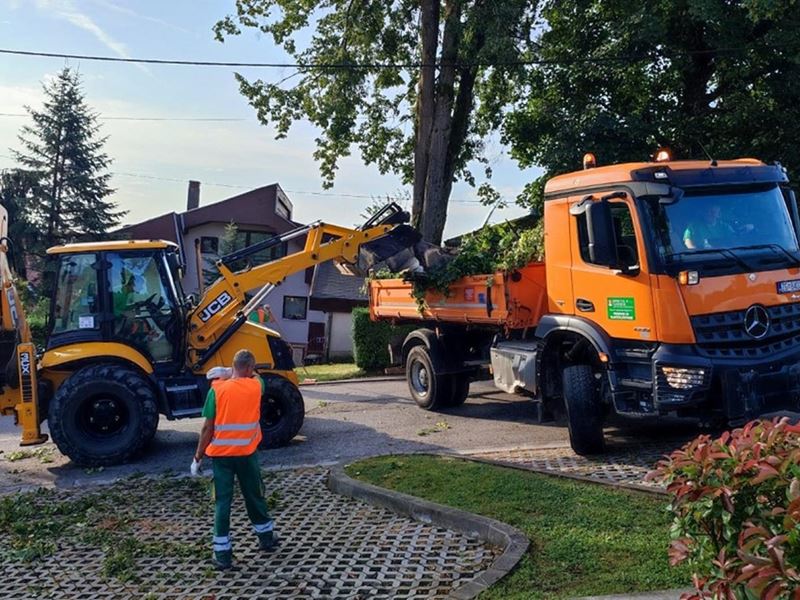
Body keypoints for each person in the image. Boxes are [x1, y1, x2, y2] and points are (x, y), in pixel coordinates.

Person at [191, 349, 278, 570]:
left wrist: (197, 457)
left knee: (222, 502)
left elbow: (207, 428)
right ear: (249, 368)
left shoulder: (216, 391)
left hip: (222, 459)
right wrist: (234, 371)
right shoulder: (256, 386)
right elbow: (257, 376)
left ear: (233, 366)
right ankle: (266, 539)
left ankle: (222, 556)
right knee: (255, 496)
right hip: (247, 456)